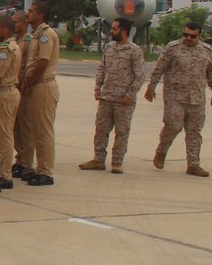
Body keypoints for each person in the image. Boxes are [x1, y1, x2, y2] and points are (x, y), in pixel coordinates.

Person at [144, 21, 212, 177]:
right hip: (174, 96)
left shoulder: (207, 51)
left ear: (200, 35)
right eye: (185, 34)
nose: (188, 38)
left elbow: (210, 74)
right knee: (173, 126)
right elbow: (159, 67)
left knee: (194, 132)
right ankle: (161, 151)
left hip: (197, 98)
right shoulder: (173, 48)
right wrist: (151, 86)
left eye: (192, 36)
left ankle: (193, 165)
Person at [79, 17, 145, 174]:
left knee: (122, 132)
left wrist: (130, 95)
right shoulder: (109, 48)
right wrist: (97, 88)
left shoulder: (134, 51)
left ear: (123, 31)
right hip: (106, 98)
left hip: (124, 101)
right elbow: (102, 69)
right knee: (101, 130)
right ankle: (98, 160)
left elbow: (140, 75)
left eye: (114, 29)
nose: (111, 31)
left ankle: (117, 163)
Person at [20, 1, 60, 186]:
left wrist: (28, 83)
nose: (28, 14)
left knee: (43, 130)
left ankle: (46, 172)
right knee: (36, 130)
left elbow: (42, 63)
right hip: (36, 86)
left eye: (31, 11)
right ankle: (40, 168)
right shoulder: (35, 35)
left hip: (43, 85)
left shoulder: (45, 35)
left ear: (41, 15)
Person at [0, 15, 22, 197]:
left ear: (6, 30)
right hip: (4, 93)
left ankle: (6, 175)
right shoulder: (4, 46)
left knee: (3, 135)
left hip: (4, 93)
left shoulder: (5, 50)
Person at [11, 11, 33, 177]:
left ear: (25, 23)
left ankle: (27, 162)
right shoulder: (15, 41)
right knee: (15, 127)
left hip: (24, 87)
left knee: (25, 126)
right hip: (14, 86)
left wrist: (26, 83)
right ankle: (19, 159)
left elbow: (30, 64)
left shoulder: (29, 40)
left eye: (16, 22)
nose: (14, 25)